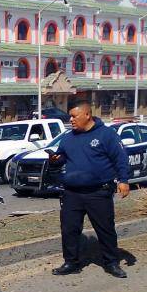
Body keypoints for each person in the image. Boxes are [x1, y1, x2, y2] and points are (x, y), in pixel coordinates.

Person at [48, 100, 130, 278]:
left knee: (105, 229)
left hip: (98, 192)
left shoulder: (106, 134)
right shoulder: (68, 137)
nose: (71, 119)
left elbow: (121, 158)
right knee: (69, 229)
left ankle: (111, 263)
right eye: (70, 116)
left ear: (87, 115)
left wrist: (123, 180)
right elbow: (63, 157)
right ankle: (71, 262)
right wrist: (55, 159)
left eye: (74, 116)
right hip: (72, 193)